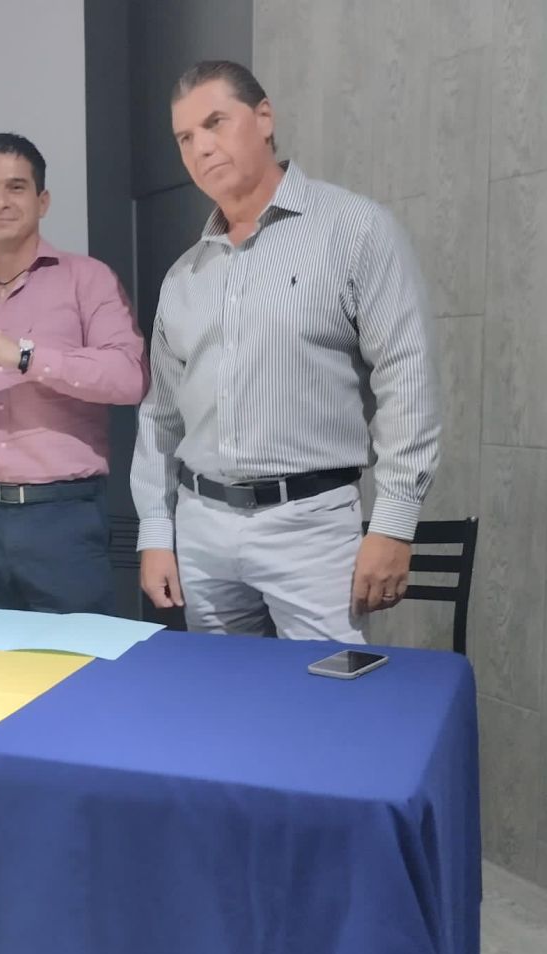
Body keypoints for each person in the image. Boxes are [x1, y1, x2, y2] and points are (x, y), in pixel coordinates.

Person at [131, 61, 440, 643]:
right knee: (221, 693)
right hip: (201, 526)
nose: (201, 147)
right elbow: (160, 416)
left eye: (215, 123)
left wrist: (394, 522)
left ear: (265, 117)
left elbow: (406, 376)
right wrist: (155, 531)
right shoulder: (183, 277)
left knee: (326, 691)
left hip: (311, 525)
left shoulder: (354, 229)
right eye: (185, 138)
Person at [0, 133, 148, 613]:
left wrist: (24, 356)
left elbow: (129, 378)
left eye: (16, 187)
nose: (0, 201)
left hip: (62, 517)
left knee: (77, 655)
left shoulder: (87, 280)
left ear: (42, 201)